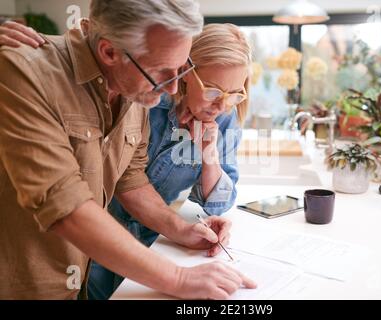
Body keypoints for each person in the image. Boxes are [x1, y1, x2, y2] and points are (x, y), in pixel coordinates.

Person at [0, 0, 255, 300]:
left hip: (86, 278)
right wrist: (178, 278)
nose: (173, 90)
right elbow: (64, 204)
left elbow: (131, 178)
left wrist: (181, 230)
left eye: (179, 69)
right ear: (109, 52)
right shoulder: (26, 70)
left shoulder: (134, 85)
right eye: (162, 72)